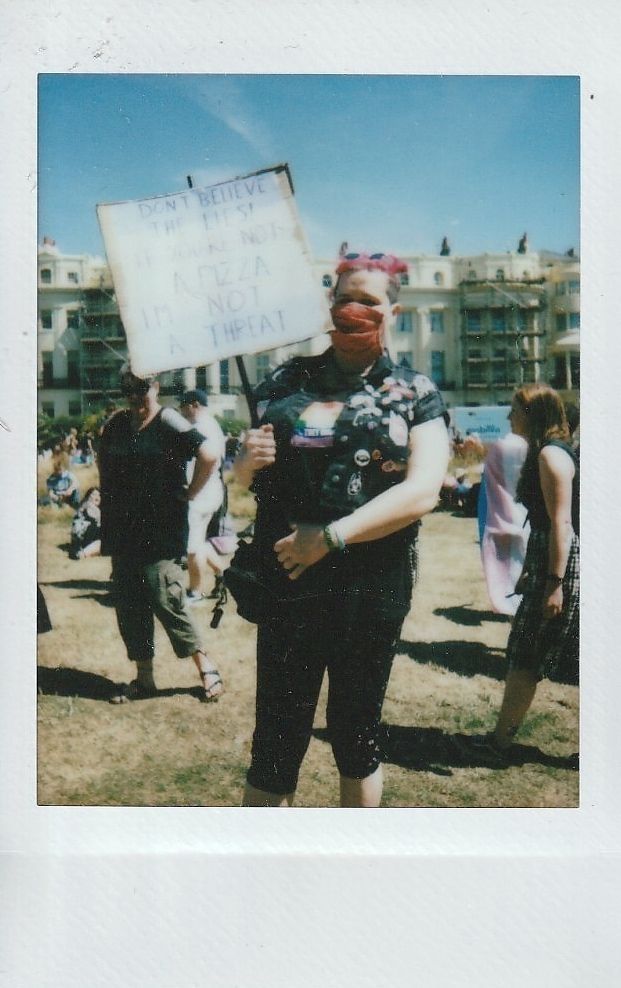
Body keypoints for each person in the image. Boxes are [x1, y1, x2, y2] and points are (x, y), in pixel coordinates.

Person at [233, 251, 450, 807]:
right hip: (288, 585)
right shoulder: (285, 379)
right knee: (276, 744)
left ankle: (358, 872)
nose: (353, 309)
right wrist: (246, 460)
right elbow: (247, 482)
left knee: (355, 735)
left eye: (369, 301)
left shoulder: (416, 391)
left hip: (369, 588)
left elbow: (422, 490)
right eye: (343, 298)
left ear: (393, 313)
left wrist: (330, 537)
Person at [98, 365, 224, 703]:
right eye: (129, 392)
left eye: (142, 390)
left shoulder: (170, 420)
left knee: (167, 600)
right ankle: (144, 679)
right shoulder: (117, 425)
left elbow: (209, 456)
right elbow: (103, 460)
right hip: (125, 531)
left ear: (155, 387)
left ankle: (206, 667)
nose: (136, 398)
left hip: (162, 530)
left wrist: (192, 492)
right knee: (129, 605)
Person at [469, 383, 579, 761]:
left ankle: (500, 742)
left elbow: (562, 525)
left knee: (528, 654)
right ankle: (500, 740)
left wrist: (555, 584)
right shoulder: (544, 451)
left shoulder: (551, 456)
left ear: (533, 414)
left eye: (515, 409)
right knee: (526, 654)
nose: (509, 416)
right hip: (550, 559)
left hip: (562, 562)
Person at [178, 389, 227, 603]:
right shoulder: (212, 425)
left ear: (194, 405)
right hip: (210, 490)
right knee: (199, 541)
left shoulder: (201, 428)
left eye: (183, 406)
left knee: (192, 546)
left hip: (201, 492)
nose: (181, 410)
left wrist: (192, 491)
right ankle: (223, 573)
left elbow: (208, 461)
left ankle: (195, 591)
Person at [479, 431, 529, 616]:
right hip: (525, 522)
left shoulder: (498, 450)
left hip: (499, 522)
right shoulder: (533, 450)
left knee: (506, 578)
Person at [69, 486, 102, 559]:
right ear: (88, 497)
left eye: (99, 495)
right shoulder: (90, 507)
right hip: (85, 542)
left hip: (79, 542)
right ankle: (82, 554)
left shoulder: (83, 506)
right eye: (94, 494)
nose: (97, 497)